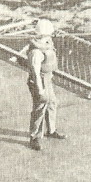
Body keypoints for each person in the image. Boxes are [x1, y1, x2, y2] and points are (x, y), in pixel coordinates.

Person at [25, 18, 65, 150]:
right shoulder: (36, 52)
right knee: (40, 108)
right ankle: (34, 137)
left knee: (52, 103)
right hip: (39, 82)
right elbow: (35, 73)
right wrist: (40, 90)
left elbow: (50, 44)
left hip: (47, 79)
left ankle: (51, 130)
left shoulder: (47, 43)